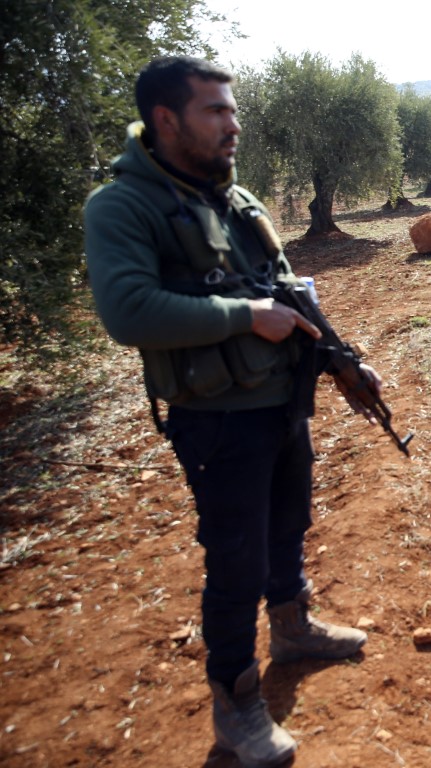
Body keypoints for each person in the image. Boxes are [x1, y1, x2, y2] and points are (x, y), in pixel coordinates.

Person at [84, 55, 375, 767]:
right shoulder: (121, 206)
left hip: (280, 400)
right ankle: (237, 706)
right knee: (235, 559)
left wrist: (339, 358)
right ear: (166, 119)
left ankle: (294, 627)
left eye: (233, 110)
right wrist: (245, 316)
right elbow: (128, 312)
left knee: (289, 523)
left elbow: (287, 290)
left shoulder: (236, 199)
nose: (233, 124)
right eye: (215, 110)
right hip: (215, 417)